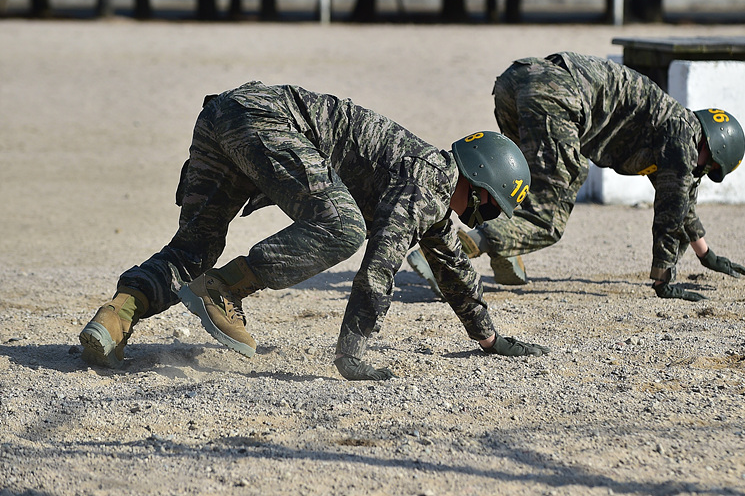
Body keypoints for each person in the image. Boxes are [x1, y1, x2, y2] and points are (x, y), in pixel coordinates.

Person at [78, 81, 549, 379]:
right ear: (482, 187)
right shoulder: (432, 180)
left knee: (194, 248)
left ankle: (115, 317)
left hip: (226, 117)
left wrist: (489, 338)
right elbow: (378, 268)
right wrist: (352, 351)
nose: (481, 220)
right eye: (489, 209)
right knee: (344, 226)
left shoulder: (431, 190)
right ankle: (223, 289)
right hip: (266, 121)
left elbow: (452, 266)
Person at [407, 52, 745, 302]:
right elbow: (670, 213)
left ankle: (503, 247)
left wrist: (705, 254)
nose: (702, 172)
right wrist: (663, 278)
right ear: (713, 147)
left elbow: (679, 199)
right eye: (710, 168)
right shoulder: (683, 138)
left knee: (512, 185)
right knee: (548, 220)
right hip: (558, 99)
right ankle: (454, 252)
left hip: (518, 80)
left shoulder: (674, 128)